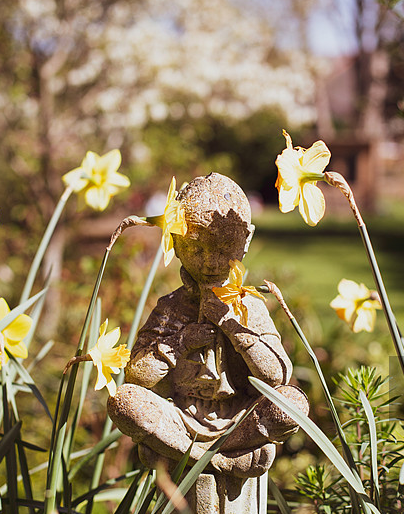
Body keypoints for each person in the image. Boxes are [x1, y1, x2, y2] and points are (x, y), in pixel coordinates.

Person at [108, 173, 308, 478]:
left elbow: (277, 375)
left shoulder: (247, 305)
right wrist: (180, 343)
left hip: (238, 420)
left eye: (224, 248)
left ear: (246, 241)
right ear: (175, 241)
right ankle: (210, 459)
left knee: (292, 404)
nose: (210, 261)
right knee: (124, 401)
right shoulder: (171, 307)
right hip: (180, 416)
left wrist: (231, 324)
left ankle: (181, 453)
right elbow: (137, 375)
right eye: (196, 248)